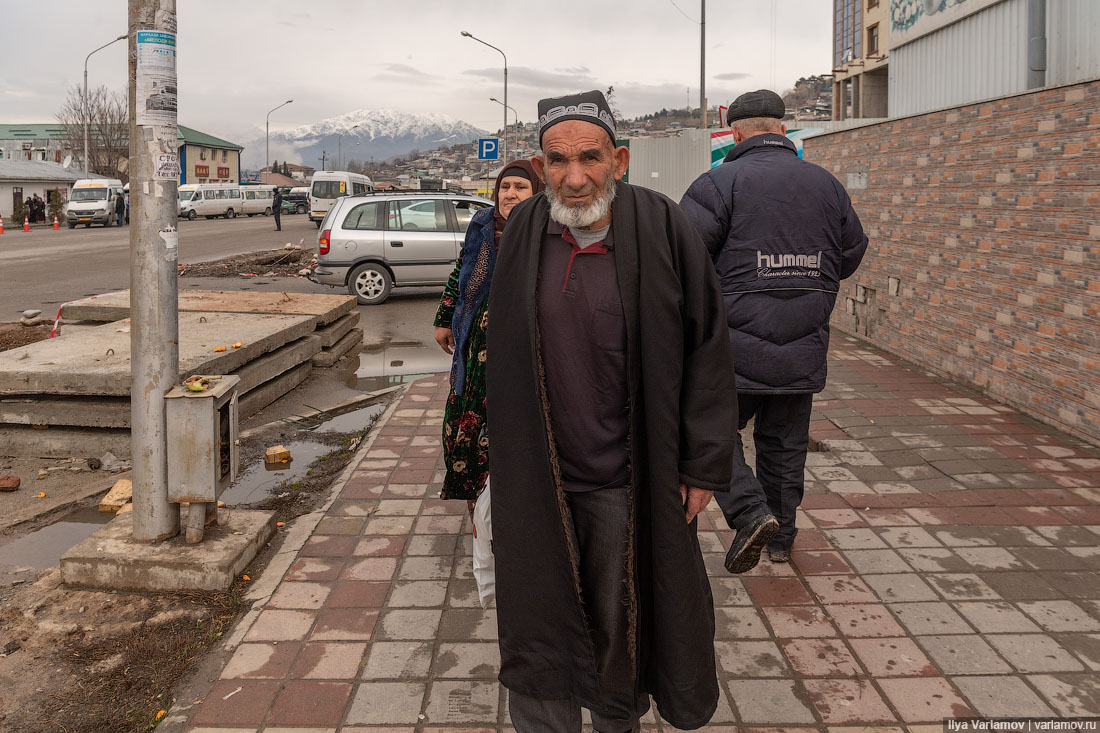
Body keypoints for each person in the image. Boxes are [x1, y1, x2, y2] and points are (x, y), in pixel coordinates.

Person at [486, 90, 737, 733]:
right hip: (540, 479)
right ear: (539, 170)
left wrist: (705, 465)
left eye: (590, 158)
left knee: (619, 628)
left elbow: (708, 344)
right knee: (539, 627)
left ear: (618, 159)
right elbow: (496, 352)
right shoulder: (519, 239)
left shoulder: (661, 227)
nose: (575, 179)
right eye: (557, 162)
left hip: (627, 480)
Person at [681, 89, 868, 570]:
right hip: (804, 341)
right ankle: (782, 538)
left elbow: (682, 261)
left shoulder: (718, 183)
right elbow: (851, 251)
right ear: (782, 130)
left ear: (735, 133)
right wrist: (810, 284)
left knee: (712, 433)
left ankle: (751, 512)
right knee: (785, 444)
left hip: (732, 349)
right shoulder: (826, 185)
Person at [433, 160, 543, 507]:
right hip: (474, 341)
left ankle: (511, 508)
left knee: (511, 424)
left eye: (521, 187)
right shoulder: (482, 225)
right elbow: (461, 269)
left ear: (536, 193)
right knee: (464, 424)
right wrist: (444, 317)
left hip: (521, 344)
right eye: (506, 187)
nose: (511, 194)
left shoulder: (545, 229)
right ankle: (476, 505)